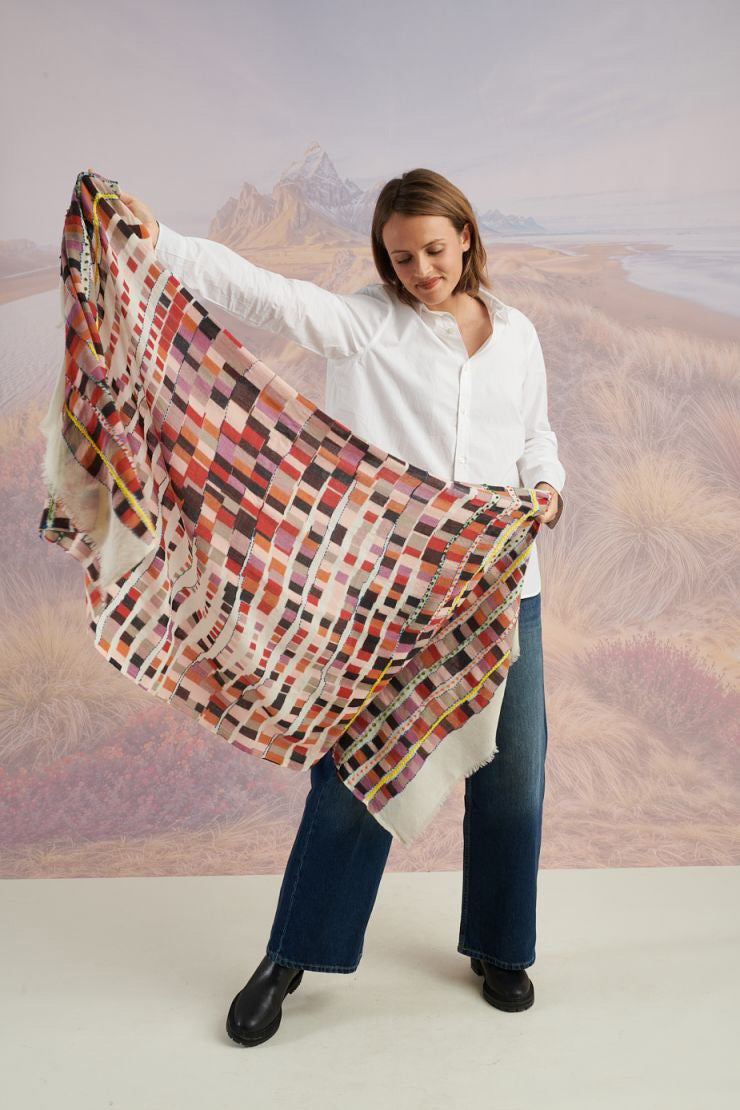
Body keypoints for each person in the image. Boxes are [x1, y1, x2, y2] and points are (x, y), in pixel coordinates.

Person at [117, 167, 565, 1046]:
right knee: (354, 784)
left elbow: (536, 436)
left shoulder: (517, 335)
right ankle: (292, 956)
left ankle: (503, 948)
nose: (421, 271)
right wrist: (160, 241)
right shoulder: (368, 325)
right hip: (394, 602)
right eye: (402, 257)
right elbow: (270, 296)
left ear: (465, 238)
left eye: (435, 250)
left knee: (515, 781)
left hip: (509, 588)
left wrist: (546, 487)